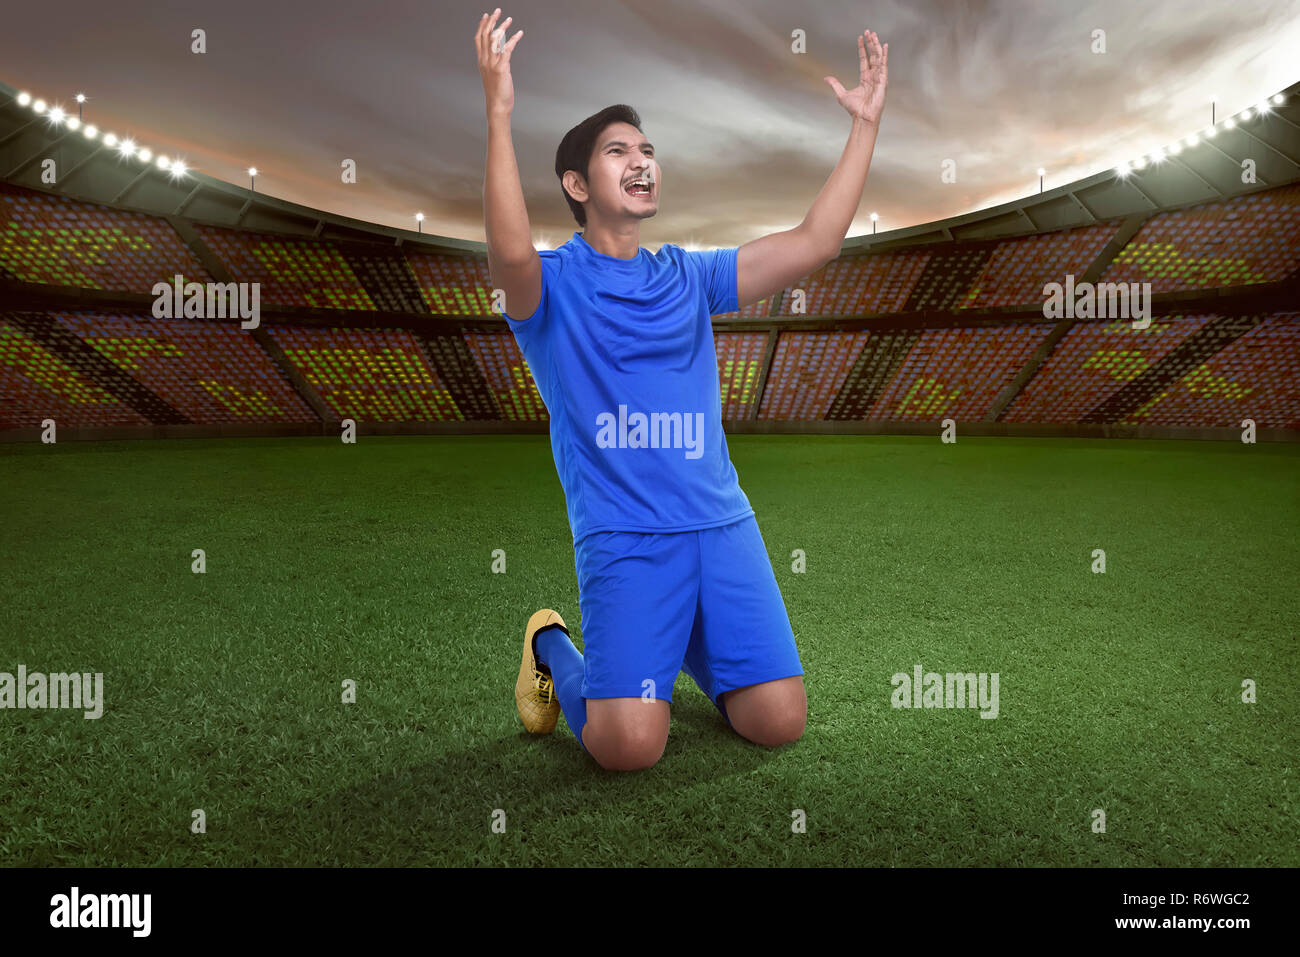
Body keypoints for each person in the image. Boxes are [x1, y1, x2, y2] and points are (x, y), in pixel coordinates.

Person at [475, 8, 888, 770]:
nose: (641, 161)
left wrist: (863, 125)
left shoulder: (689, 276)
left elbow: (813, 242)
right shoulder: (551, 289)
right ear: (575, 182)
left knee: (779, 720)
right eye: (617, 151)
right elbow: (506, 251)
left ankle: (670, 649)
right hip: (627, 540)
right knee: (628, 747)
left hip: (722, 527)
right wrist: (500, 114)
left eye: (648, 150)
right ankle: (551, 641)